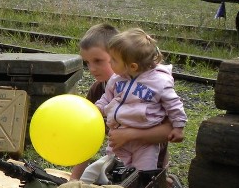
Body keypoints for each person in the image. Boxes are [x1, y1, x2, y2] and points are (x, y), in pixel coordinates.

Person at [69, 24, 175, 180]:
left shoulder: (151, 87)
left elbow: (170, 132)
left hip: (149, 165)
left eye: (98, 61)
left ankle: (168, 187)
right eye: (87, 62)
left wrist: (131, 135)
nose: (91, 68)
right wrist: (73, 180)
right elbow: (88, 137)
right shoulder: (98, 90)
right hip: (119, 161)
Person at [93, 28, 186, 175]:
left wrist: (178, 127)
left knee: (143, 175)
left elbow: (174, 105)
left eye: (114, 60)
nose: (110, 62)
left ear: (132, 66)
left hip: (145, 143)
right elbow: (107, 98)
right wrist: (98, 108)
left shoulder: (159, 82)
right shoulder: (117, 79)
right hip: (119, 135)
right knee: (114, 172)